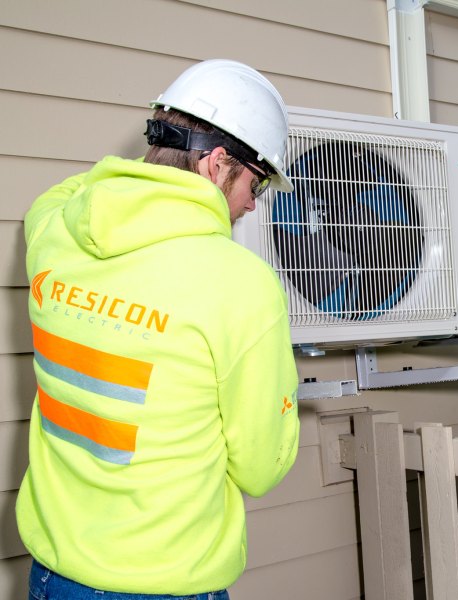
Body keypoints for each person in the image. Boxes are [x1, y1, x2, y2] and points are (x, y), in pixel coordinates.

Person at [17, 59, 300, 599]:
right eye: (255, 183)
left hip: (53, 575)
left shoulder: (55, 232)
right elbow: (262, 468)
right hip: (163, 584)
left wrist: (140, 176)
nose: (250, 204)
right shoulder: (241, 285)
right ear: (218, 165)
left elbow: (68, 192)